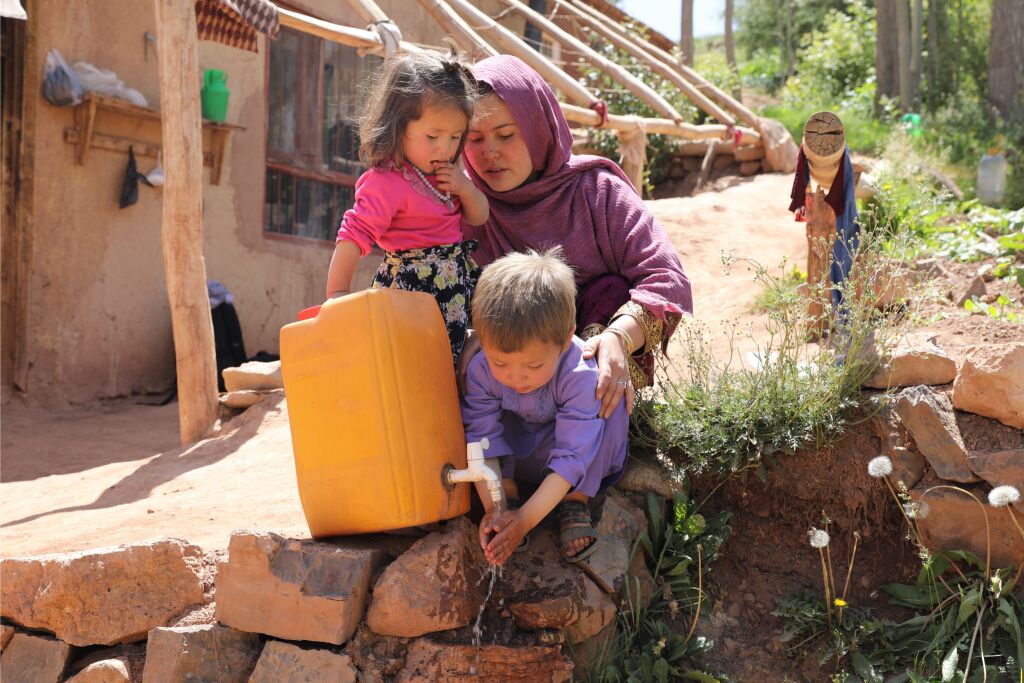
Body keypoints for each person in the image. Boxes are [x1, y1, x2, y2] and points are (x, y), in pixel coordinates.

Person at [457, 55, 692, 419]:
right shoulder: (463, 208)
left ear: (537, 127)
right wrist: (472, 334)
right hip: (502, 398)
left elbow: (667, 279)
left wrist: (618, 338)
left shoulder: (597, 192)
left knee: (609, 291)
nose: (489, 152)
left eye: (506, 134)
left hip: (594, 391)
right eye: (474, 138)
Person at [462, 248, 629, 566]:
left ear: (566, 340)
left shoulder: (580, 373)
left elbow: (573, 453)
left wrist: (525, 520)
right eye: (501, 363)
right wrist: (495, 507)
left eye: (533, 365)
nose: (516, 377)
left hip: (577, 458)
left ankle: (574, 500)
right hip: (524, 453)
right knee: (477, 420)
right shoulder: (481, 369)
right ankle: (508, 493)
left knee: (611, 399)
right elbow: (481, 437)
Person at [325, 51, 489, 363]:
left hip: (454, 288)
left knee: (450, 363)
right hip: (412, 291)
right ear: (398, 127)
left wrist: (465, 188)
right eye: (433, 136)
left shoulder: (449, 174)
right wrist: (337, 293)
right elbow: (353, 235)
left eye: (455, 137)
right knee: (413, 364)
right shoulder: (387, 182)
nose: (445, 147)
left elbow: (479, 216)